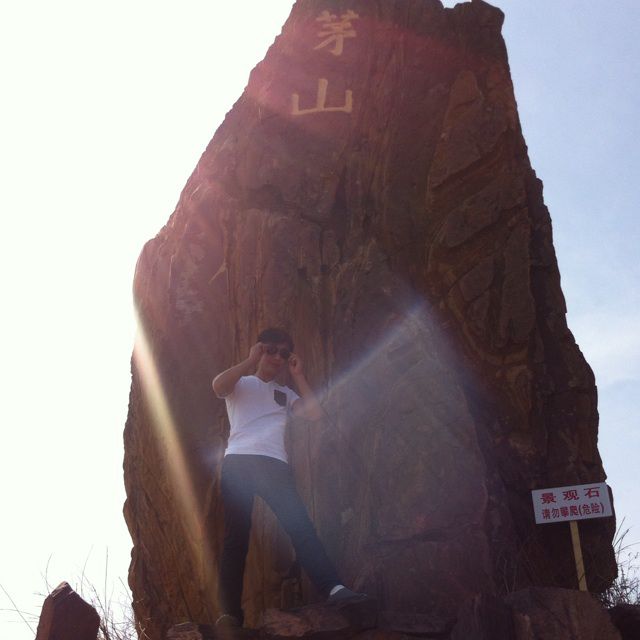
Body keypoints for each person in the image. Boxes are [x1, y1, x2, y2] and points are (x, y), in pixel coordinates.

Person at [212, 327, 364, 629]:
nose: (277, 358)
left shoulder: (286, 393)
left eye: (283, 353)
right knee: (236, 537)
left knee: (300, 527)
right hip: (239, 463)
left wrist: (299, 375)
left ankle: (334, 588)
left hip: (275, 465)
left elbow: (315, 414)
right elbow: (218, 386)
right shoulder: (241, 383)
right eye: (271, 350)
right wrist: (249, 361)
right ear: (260, 350)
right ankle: (230, 615)